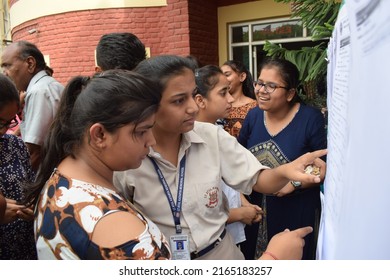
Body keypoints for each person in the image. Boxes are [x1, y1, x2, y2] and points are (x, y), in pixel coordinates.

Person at [114, 55, 327, 260]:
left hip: (222, 255)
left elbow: (258, 179)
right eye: (179, 100)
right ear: (148, 106)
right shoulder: (127, 157)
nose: (193, 107)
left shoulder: (211, 136)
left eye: (193, 95)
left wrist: (286, 171)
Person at [23, 70, 171, 260]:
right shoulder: (112, 225)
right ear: (99, 135)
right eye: (142, 131)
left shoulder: (64, 175)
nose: (151, 141)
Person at [238, 57, 327, 260]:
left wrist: (294, 183)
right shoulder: (253, 116)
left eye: (271, 86)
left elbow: (322, 164)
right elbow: (237, 159)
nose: (261, 90)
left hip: (296, 209)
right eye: (259, 83)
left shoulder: (309, 118)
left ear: (290, 94)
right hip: (256, 210)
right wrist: (242, 200)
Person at [194, 65, 263, 247]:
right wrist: (238, 213)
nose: (231, 99)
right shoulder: (190, 142)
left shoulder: (217, 132)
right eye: (223, 93)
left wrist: (243, 203)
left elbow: (228, 179)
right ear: (200, 100)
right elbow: (197, 209)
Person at [1, 41, 64, 171]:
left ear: (30, 63)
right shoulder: (47, 86)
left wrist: (23, 186)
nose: (4, 73)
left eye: (7, 66)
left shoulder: (39, 92)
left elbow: (34, 152)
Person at [0, 74, 37, 259]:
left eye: (9, 122)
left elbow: (29, 185)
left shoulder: (15, 145)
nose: (4, 130)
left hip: (23, 244)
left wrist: (32, 205)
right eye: (0, 122)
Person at [220, 60, 257, 138]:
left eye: (227, 75)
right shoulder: (217, 105)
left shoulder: (255, 106)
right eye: (221, 76)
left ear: (242, 77)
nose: (223, 80)